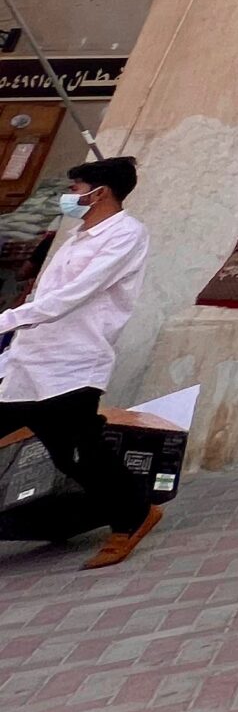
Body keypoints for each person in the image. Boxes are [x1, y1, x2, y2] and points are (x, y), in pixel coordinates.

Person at [0, 156, 164, 566]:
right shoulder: (77, 236)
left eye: (74, 189)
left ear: (99, 192)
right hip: (28, 361)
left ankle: (134, 516)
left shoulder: (126, 235)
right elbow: (44, 297)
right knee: (69, 451)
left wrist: (8, 318)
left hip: (72, 363)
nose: (68, 197)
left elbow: (75, 295)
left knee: (77, 454)